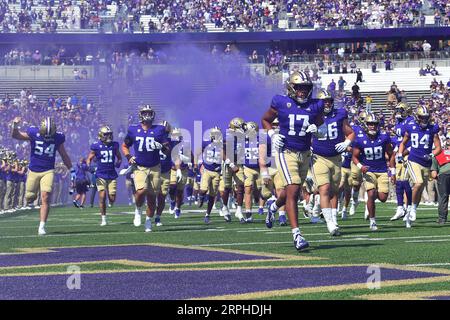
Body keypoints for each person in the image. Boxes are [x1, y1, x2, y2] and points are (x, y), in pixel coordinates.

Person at [262, 71, 324, 251]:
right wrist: (272, 134)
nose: (302, 91)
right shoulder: (281, 102)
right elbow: (265, 120)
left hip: (305, 152)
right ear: (291, 87)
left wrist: (316, 127)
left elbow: (319, 120)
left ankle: (273, 206)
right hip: (285, 151)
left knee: (291, 192)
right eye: (299, 87)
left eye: (305, 88)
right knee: (294, 189)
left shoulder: (316, 105)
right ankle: (297, 235)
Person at [11, 116, 72, 235]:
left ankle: (42, 226)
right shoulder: (33, 132)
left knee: (45, 197)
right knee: (29, 197)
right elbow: (16, 136)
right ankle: (31, 198)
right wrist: (15, 125)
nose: (48, 137)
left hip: (48, 171)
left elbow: (64, 155)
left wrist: (72, 169)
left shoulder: (58, 137)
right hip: (33, 170)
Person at [312, 89, 355, 235]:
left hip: (336, 158)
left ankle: (333, 218)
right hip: (318, 157)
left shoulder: (340, 114)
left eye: (329, 100)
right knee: (324, 189)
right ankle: (330, 223)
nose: (327, 103)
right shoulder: (312, 115)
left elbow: (350, 132)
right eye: (324, 101)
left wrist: (346, 142)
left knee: (334, 191)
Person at [122, 105, 170, 232]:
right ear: (140, 115)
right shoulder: (133, 130)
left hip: (155, 167)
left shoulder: (159, 129)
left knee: (152, 197)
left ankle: (148, 220)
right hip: (140, 167)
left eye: (149, 113)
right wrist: (128, 156)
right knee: (141, 191)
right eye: (145, 113)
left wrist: (161, 146)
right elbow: (125, 146)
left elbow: (166, 149)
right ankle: (138, 210)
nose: (147, 115)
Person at [398, 106, 442, 228]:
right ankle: (412, 208)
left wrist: (432, 154)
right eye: (422, 117)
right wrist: (400, 154)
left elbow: (438, 147)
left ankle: (412, 210)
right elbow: (403, 142)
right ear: (418, 117)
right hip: (413, 160)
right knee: (418, 183)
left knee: (420, 187)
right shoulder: (411, 126)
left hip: (426, 163)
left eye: (426, 117)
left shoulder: (432, 129)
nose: (424, 119)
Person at [352, 113, 396, 230]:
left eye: (375, 124)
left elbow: (391, 154)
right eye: (370, 124)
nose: (372, 126)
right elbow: (354, 157)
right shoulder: (360, 139)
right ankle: (372, 221)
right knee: (371, 194)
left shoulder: (384, 137)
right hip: (368, 170)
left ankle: (370, 200)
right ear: (366, 125)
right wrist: (361, 166)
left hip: (382, 170)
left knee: (383, 198)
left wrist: (393, 172)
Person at [87, 125, 122, 226]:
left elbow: (119, 157)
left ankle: (111, 202)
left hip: (111, 174)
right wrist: (89, 166)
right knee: (102, 197)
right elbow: (89, 158)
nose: (109, 136)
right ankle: (103, 219)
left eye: (110, 134)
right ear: (101, 135)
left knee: (112, 198)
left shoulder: (114, 145)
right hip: (100, 174)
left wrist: (118, 162)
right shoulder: (96, 146)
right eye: (106, 135)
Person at [431, 132, 450, 224]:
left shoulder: (438, 152)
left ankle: (442, 218)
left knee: (443, 197)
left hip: (444, 175)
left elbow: (434, 173)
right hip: (444, 175)